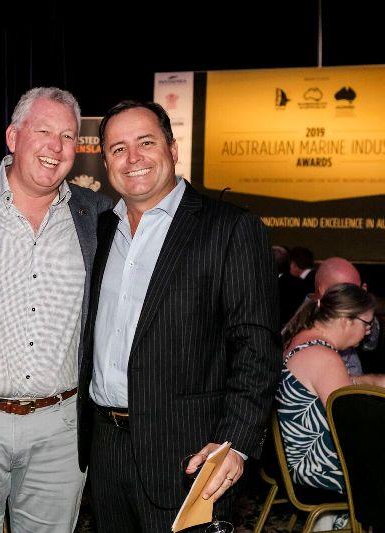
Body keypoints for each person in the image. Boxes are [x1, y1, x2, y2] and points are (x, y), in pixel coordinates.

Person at [78, 100, 280, 532]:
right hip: (105, 449)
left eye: (145, 142)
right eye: (117, 148)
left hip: (190, 454)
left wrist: (235, 445)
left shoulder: (229, 228)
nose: (132, 159)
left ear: (172, 149)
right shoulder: (101, 229)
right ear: (105, 162)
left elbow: (257, 347)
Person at [0, 87, 112, 532]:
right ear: (12, 136)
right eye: (44, 130)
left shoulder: (97, 213)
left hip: (61, 429)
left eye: (68, 136)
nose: (56, 146)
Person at [277, 283, 385, 493]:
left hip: (301, 462)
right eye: (367, 324)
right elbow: (353, 427)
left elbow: (327, 388)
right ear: (346, 321)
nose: (367, 332)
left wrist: (373, 381)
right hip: (321, 469)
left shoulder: (303, 339)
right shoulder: (324, 357)